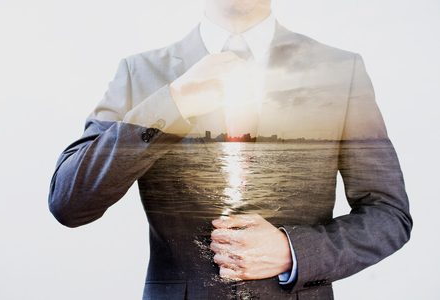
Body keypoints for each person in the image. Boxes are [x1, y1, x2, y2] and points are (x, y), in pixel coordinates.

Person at [48, 0, 412, 299]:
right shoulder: (140, 73)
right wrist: (170, 105)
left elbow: (388, 214)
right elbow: (69, 202)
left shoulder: (341, 71)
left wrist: (293, 252)